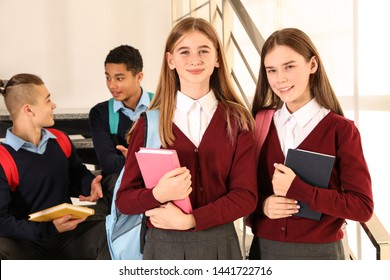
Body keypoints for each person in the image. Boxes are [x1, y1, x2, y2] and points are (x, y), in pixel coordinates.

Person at [116, 17, 258, 260]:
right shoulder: (149, 123)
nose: (195, 59)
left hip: (220, 245)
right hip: (163, 246)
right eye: (184, 52)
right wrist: (158, 194)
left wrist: (191, 220)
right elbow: (125, 200)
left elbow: (246, 197)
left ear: (217, 59)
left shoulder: (237, 120)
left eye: (204, 50)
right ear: (170, 60)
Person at [248, 28, 374, 260]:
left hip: (320, 254)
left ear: (312, 65)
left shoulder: (341, 130)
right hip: (264, 250)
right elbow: (243, 190)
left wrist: (298, 189)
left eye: (289, 66)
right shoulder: (259, 122)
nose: (280, 79)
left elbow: (361, 208)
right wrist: (262, 206)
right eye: (272, 70)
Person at [0, 73, 110, 259]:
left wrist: (89, 184)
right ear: (28, 110)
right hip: (27, 242)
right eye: (47, 100)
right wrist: (48, 228)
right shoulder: (3, 158)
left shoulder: (60, 139)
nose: (53, 105)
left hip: (67, 235)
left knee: (107, 235)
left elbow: (77, 174)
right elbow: (2, 222)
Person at [88, 45, 152, 218]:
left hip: (156, 180)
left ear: (139, 77)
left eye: (119, 78)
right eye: (108, 78)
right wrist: (144, 162)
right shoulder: (100, 113)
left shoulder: (162, 105)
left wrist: (130, 159)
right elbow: (108, 163)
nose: (112, 85)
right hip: (119, 181)